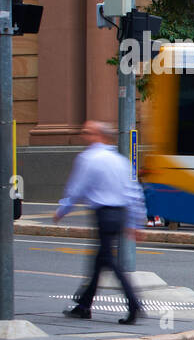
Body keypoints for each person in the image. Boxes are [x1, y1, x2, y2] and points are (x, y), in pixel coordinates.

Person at [55, 121, 146, 324]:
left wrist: (62, 210)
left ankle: (134, 304)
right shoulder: (120, 161)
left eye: (88, 132)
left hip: (104, 215)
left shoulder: (89, 158)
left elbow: (77, 189)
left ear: (100, 136)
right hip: (119, 214)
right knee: (99, 262)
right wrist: (135, 222)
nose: (83, 135)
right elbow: (133, 192)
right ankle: (84, 306)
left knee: (109, 262)